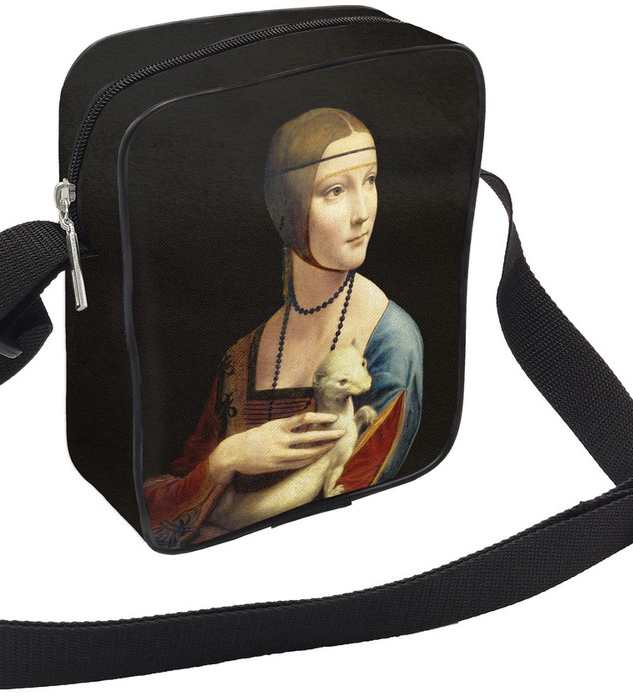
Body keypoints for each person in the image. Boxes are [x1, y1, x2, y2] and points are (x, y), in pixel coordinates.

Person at [143, 108, 423, 550]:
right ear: (287, 208)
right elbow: (163, 504)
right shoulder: (241, 356)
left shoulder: (390, 341)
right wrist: (227, 458)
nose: (362, 213)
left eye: (370, 180)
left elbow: (353, 503)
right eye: (335, 190)